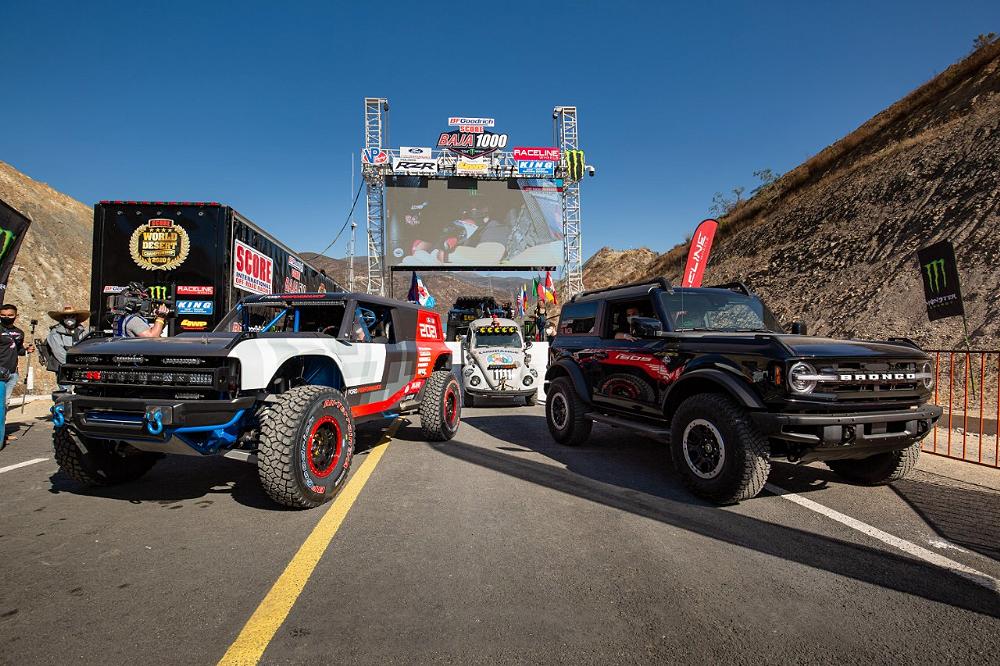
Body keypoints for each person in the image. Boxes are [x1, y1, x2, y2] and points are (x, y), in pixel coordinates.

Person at [46, 306, 89, 392]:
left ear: (76, 317)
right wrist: (70, 364)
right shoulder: (55, 332)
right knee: (65, 392)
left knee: (84, 390)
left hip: (81, 367)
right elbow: (58, 351)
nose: (69, 319)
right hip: (63, 367)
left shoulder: (83, 331)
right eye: (66, 317)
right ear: (62, 318)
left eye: (72, 316)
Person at [0, 304, 34, 410]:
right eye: (3, 315)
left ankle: (2, 425)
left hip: (12, 373)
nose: (6, 317)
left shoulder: (20, 333)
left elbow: (19, 350)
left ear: (16, 316)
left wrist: (27, 350)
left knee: (5, 403)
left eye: (10, 315)